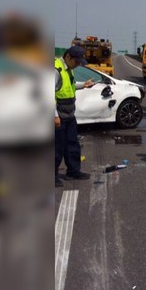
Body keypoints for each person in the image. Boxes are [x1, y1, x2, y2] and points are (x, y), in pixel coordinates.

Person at [55, 45, 94, 187]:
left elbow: (69, 85)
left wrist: (84, 85)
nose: (77, 65)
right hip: (58, 115)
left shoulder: (68, 70)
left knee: (72, 144)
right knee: (56, 147)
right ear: (68, 57)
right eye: (76, 62)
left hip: (69, 114)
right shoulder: (56, 70)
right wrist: (55, 116)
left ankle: (73, 171)